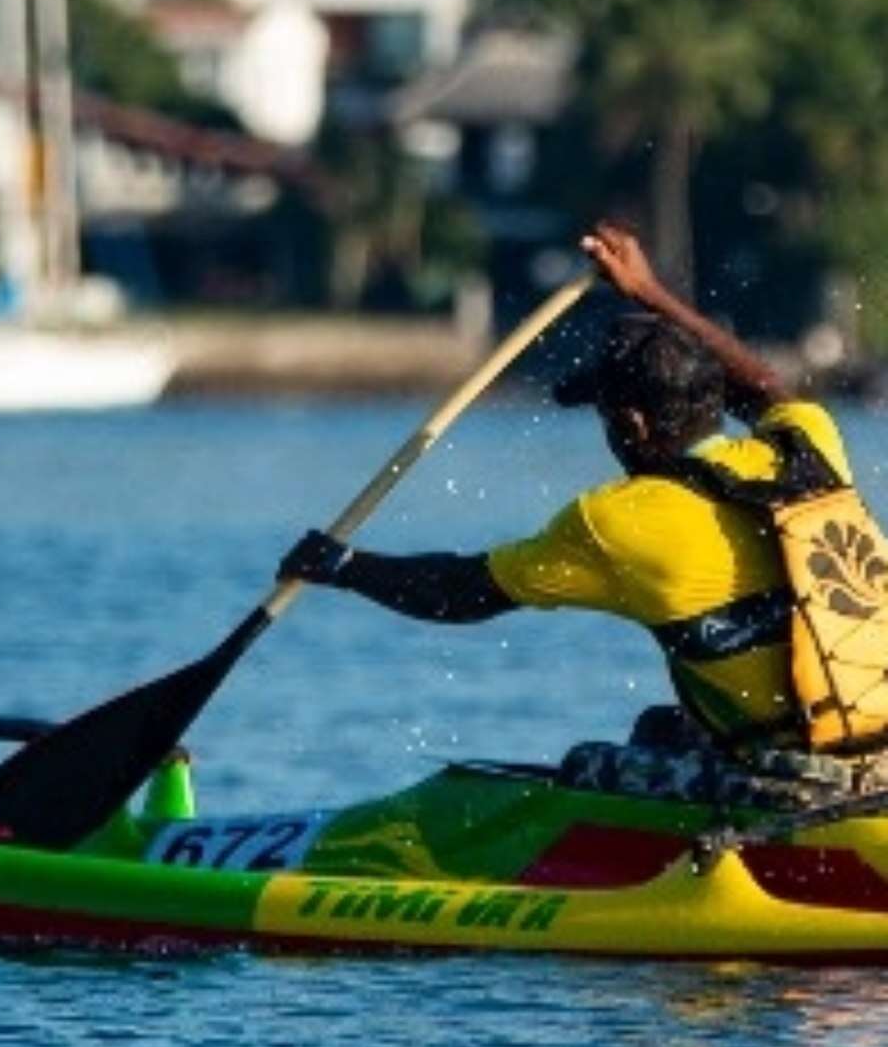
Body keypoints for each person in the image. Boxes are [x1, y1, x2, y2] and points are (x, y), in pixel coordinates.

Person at [278, 221, 888, 811]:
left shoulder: (617, 521)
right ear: (711, 395)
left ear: (634, 425)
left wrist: (342, 566)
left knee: (585, 766)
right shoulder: (808, 446)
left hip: (814, 790)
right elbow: (763, 385)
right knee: (663, 730)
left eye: (606, 418)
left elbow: (461, 592)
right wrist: (650, 293)